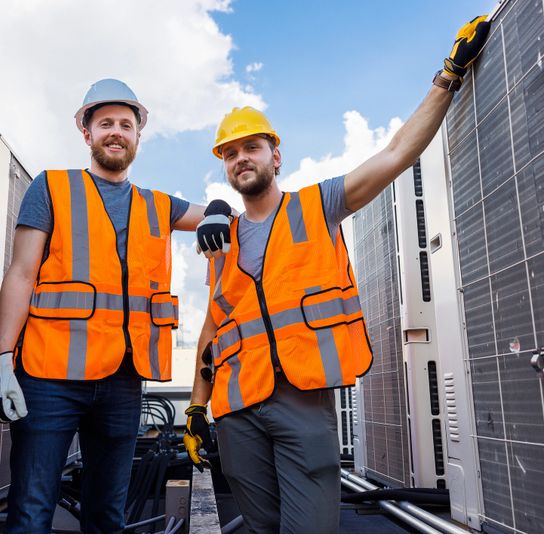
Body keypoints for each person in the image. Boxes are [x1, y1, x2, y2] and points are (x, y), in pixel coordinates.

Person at [183, 17, 491, 533]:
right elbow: (213, 332)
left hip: (301, 401)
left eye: (250, 148)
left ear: (274, 155)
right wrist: (196, 408)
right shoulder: (222, 238)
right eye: (230, 153)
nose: (241, 159)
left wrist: (447, 77)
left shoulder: (316, 206)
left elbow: (394, 155)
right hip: (235, 410)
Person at [0, 78, 231, 534]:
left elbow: (221, 217)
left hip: (121, 381)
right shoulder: (51, 189)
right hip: (49, 379)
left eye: (126, 125)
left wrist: (215, 206)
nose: (116, 132)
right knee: (32, 512)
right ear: (87, 133)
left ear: (137, 137)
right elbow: (20, 273)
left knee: (107, 514)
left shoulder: (157, 204)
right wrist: (0, 364)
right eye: (106, 123)